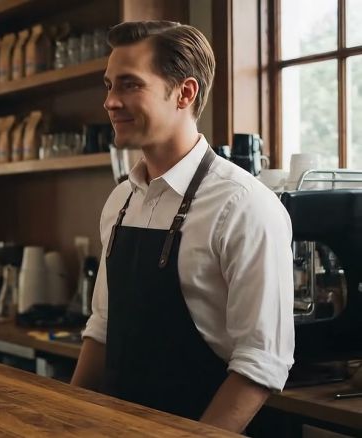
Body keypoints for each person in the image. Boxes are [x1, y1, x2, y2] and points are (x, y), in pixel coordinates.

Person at [70, 21, 294, 433]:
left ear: (185, 93)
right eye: (108, 85)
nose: (110, 102)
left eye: (129, 85)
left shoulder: (244, 205)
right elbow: (102, 329)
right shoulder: (121, 201)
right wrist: (69, 421)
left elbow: (261, 363)